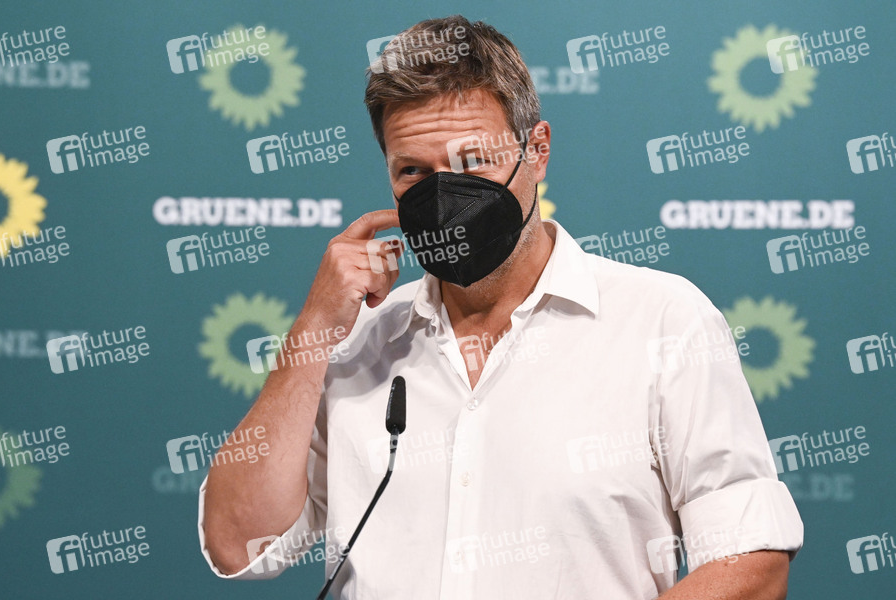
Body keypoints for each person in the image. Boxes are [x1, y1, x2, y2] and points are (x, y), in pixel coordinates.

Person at [199, 15, 803, 599]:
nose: (444, 195)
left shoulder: (664, 321)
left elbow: (752, 564)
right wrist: (312, 332)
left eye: (471, 162)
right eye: (413, 171)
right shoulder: (356, 344)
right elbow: (237, 546)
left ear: (537, 150)